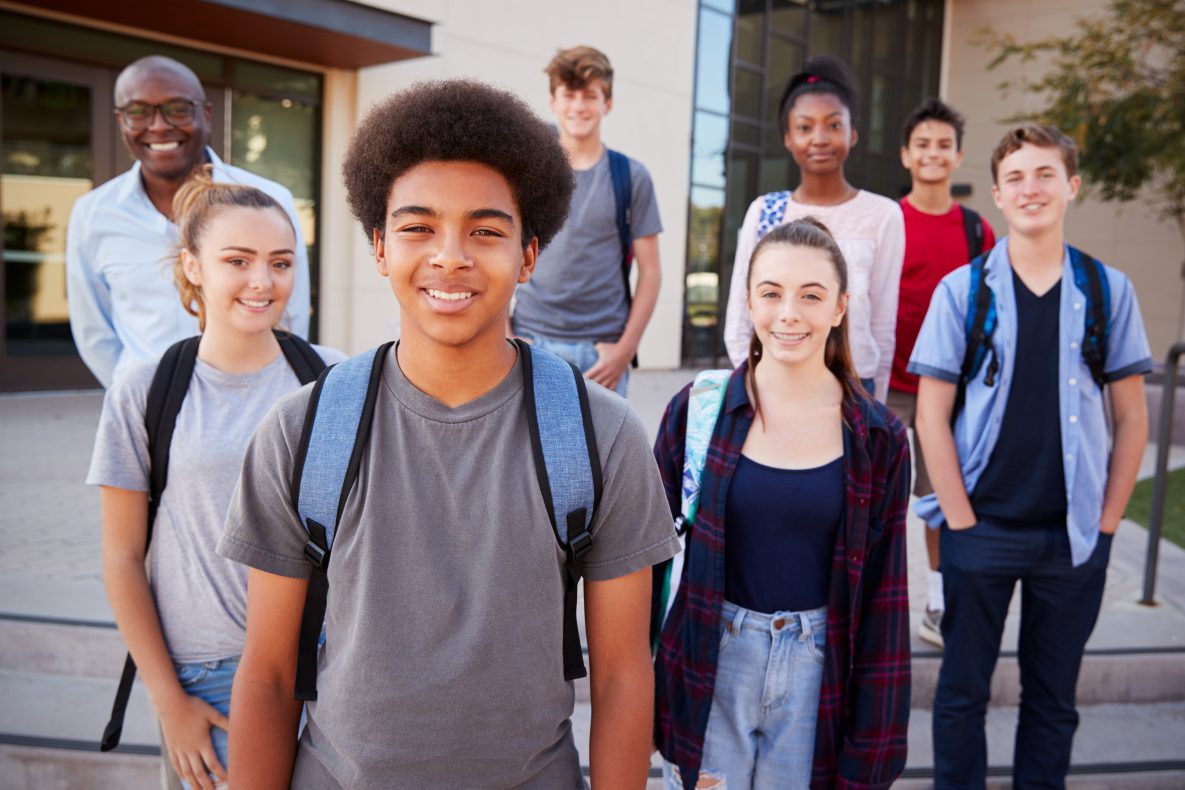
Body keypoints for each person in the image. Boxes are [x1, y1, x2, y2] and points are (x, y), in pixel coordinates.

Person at [217, 79, 680, 789]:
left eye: (486, 231)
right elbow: (270, 673)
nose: (450, 256)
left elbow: (621, 675)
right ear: (378, 246)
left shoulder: (599, 435)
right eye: (417, 227)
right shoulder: (303, 431)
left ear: (528, 255)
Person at [911, 123, 1151, 788]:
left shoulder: (1108, 290)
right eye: (1015, 177)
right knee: (961, 696)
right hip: (979, 530)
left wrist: (1106, 522)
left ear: (1070, 186)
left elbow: (1130, 415)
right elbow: (930, 413)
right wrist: (957, 519)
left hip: (1071, 539)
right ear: (996, 194)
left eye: (1045, 174)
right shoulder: (963, 292)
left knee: (1052, 703)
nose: (1030, 188)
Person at [88, 172, 343, 790]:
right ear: (193, 267)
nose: (263, 281)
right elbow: (122, 559)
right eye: (238, 260)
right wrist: (168, 700)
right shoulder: (145, 390)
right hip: (209, 677)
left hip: (334, 667)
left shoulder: (335, 378)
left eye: (280, 263)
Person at [653, 218, 911, 789]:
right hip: (711, 663)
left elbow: (886, 597)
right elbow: (646, 564)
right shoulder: (698, 412)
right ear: (747, 301)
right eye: (771, 293)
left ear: (841, 307)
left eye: (811, 296)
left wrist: (873, 745)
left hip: (819, 672)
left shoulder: (878, 437)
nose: (789, 313)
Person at [67, 55, 311, 388]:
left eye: (177, 109)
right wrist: (137, 398)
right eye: (138, 112)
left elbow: (290, 317)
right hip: (147, 413)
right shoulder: (93, 214)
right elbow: (93, 331)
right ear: (121, 122)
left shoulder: (269, 200)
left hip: (254, 401)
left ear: (206, 115)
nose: (158, 126)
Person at [722, 54, 904, 401]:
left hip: (855, 386)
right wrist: (752, 389)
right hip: (774, 384)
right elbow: (739, 318)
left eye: (833, 125)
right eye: (805, 127)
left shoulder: (884, 215)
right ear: (788, 137)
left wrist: (875, 403)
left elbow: (882, 326)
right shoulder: (766, 211)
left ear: (852, 134)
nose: (819, 138)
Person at [888, 98, 996, 649]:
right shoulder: (888, 220)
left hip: (947, 389)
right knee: (873, 500)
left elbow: (992, 311)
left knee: (939, 499)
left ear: (957, 157)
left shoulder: (977, 231)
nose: (933, 154)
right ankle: (871, 607)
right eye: (922, 144)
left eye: (943, 145)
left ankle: (937, 604)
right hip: (886, 383)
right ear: (906, 154)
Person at [510, 45, 663, 396]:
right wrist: (507, 336)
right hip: (530, 342)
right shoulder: (528, 175)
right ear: (553, 101)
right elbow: (503, 250)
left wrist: (624, 351)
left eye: (590, 96)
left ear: (607, 104)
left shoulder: (631, 177)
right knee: (526, 452)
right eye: (570, 95)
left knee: (600, 452)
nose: (579, 106)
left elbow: (651, 273)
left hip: (602, 353)